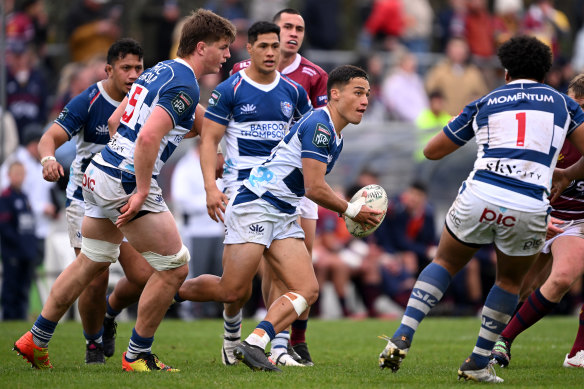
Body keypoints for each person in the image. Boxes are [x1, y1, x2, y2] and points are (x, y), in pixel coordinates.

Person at [12, 9, 236, 371]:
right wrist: (140, 184)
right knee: (175, 267)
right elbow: (148, 136)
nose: (227, 55)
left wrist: (134, 153)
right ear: (201, 47)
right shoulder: (185, 82)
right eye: (223, 47)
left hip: (99, 171)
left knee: (92, 260)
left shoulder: (159, 69)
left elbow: (118, 121)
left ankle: (35, 339)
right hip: (127, 182)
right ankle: (137, 354)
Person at [378, 35, 584, 383]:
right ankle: (477, 361)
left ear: (505, 73)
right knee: (508, 281)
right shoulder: (565, 104)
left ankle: (404, 332)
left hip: (480, 193)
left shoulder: (486, 101)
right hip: (529, 203)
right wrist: (563, 174)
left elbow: (431, 151)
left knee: (444, 262)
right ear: (547, 73)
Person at [176, 64, 381, 372]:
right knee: (231, 290)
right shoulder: (320, 125)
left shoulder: (334, 135)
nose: (365, 100)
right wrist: (350, 210)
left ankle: (256, 343)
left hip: (283, 213)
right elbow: (313, 187)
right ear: (334, 95)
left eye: (367, 93)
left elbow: (309, 186)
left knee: (307, 290)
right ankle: (167, 290)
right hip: (255, 204)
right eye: (358, 92)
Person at [176, 20, 312, 367]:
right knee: (235, 289)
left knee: (292, 282)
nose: (270, 52)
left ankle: (276, 348)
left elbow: (308, 139)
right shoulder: (230, 89)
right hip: (245, 196)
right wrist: (211, 187)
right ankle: (173, 292)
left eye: (275, 46)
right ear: (248, 49)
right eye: (263, 46)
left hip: (282, 199)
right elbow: (208, 140)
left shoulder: (295, 93)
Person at [37, 38, 149, 364]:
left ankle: (110, 313)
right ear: (109, 70)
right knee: (96, 273)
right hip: (85, 198)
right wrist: (47, 159)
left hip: (125, 199)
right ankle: (93, 343)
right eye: (126, 68)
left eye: (138, 68)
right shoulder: (89, 100)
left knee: (143, 276)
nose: (133, 74)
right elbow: (50, 138)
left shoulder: (146, 100)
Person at [228, 8, 329, 365]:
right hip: (255, 186)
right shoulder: (240, 75)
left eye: (299, 28)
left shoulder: (313, 76)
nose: (293, 34)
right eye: (287, 26)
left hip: (299, 184)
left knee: (300, 268)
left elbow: (319, 129)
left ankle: (291, 344)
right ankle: (258, 338)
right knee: (251, 277)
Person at [490, 73, 584, 369]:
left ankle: (576, 353)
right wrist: (536, 215)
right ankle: (489, 341)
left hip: (577, 223)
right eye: (575, 107)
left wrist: (568, 175)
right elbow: (515, 174)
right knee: (520, 287)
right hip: (538, 214)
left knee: (562, 278)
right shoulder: (550, 133)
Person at [0, 161, 37, 320]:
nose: (20, 178)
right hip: (13, 252)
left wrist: (30, 246)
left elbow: (30, 225)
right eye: (17, 174)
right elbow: (5, 227)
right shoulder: (6, 198)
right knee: (11, 286)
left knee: (24, 286)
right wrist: (19, 244)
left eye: (22, 174)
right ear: (9, 175)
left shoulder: (25, 197)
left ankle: (21, 316)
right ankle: (9, 317)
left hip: (27, 252)